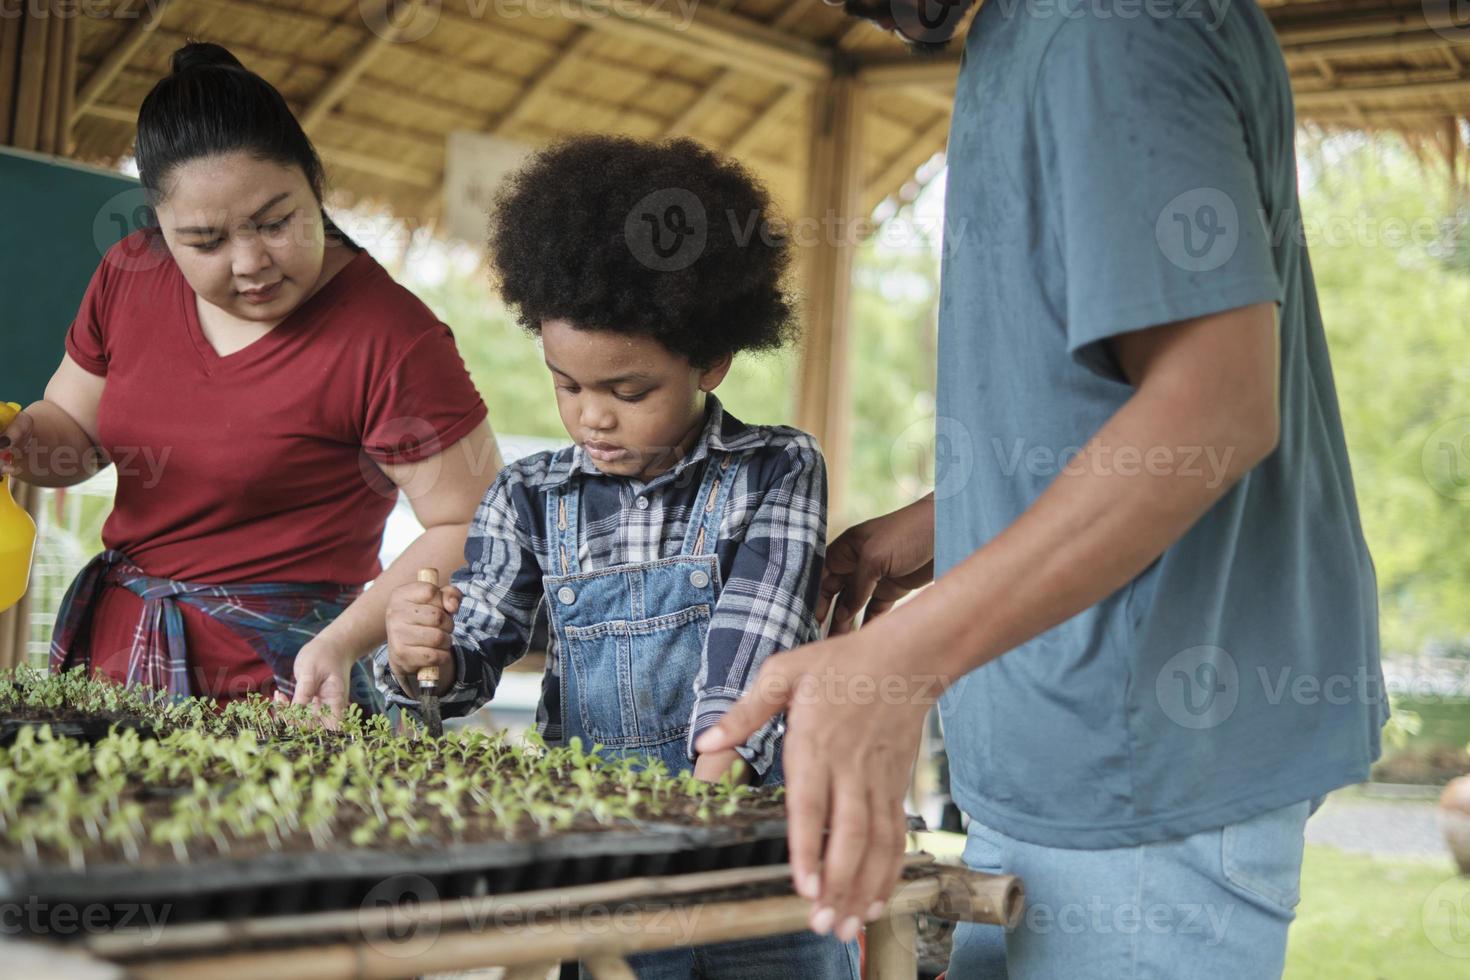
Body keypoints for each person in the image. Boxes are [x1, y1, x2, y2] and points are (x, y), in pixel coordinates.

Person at [699, 1, 1389, 977]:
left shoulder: (1108, 25)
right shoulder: (1027, 30)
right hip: (1068, 768)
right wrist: (956, 519)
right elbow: (1120, 400)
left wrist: (903, 657)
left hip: (1147, 767)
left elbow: (1215, 410)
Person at [381, 135, 859, 978]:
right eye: (568, 385)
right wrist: (425, 654)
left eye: (627, 391)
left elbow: (756, 653)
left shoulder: (776, 470)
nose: (592, 417)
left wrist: (695, 822)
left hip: (762, 870)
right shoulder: (531, 495)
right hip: (609, 876)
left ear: (710, 360)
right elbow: (469, 660)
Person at [0, 42, 497, 713]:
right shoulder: (129, 273)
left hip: (288, 680)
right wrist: (15, 435)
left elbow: (472, 522)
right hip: (118, 663)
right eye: (205, 241)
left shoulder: (390, 336)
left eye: (276, 222)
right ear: (159, 227)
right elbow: (73, 434)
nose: (251, 262)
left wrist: (344, 641)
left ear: (315, 183)